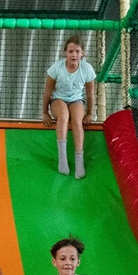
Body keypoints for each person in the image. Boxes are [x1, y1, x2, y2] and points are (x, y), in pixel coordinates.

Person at [41, 35, 96, 179]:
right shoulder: (56, 68)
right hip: (58, 100)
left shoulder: (86, 69)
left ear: (82, 54)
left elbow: (90, 94)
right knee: (64, 117)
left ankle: (79, 161)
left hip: (77, 100)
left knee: (77, 120)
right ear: (65, 53)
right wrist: (45, 113)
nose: (74, 55)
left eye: (77, 51)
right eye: (71, 51)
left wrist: (90, 113)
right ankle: (62, 158)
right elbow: (47, 92)